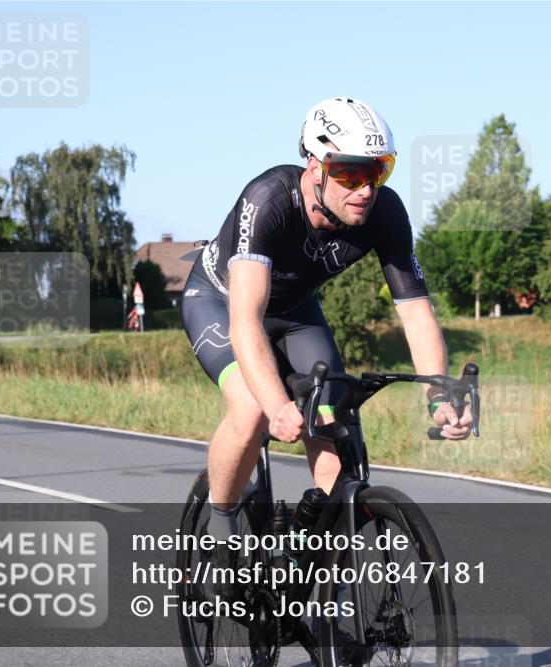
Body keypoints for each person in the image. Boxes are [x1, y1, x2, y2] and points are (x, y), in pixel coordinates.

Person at [180, 97, 473, 553]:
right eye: (349, 173)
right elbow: (245, 322)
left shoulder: (386, 214)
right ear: (316, 166)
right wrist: (277, 404)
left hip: (297, 312)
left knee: (333, 421)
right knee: (252, 409)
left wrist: (438, 394)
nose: (365, 189)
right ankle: (221, 522)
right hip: (221, 302)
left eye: (378, 172)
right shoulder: (270, 199)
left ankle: (320, 579)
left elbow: (415, 312)